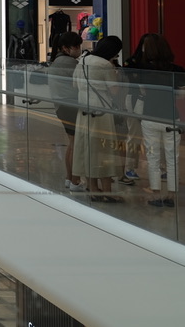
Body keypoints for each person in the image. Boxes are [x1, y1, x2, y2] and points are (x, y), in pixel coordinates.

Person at [128, 33, 184, 207]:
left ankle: (156, 194)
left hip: (150, 116)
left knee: (153, 157)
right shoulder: (177, 70)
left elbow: (136, 81)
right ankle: (172, 195)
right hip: (171, 117)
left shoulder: (143, 71)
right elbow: (181, 93)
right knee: (172, 158)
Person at [72, 35, 124, 203]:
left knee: (88, 148)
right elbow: (115, 91)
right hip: (102, 111)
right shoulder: (105, 65)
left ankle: (93, 189)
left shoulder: (82, 60)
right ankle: (107, 191)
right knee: (104, 149)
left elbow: (74, 84)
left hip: (83, 108)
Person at [48, 31, 85, 192]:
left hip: (62, 107)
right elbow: (82, 82)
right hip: (71, 105)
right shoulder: (69, 63)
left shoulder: (57, 61)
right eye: (76, 46)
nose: (79, 49)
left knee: (72, 143)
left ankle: (70, 178)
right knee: (76, 144)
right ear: (66, 48)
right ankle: (75, 180)